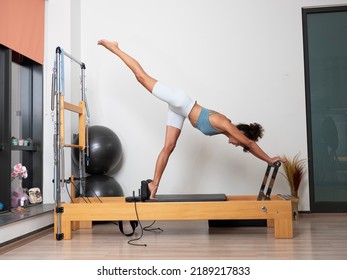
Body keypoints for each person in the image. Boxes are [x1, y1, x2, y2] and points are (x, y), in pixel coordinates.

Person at [98, 39, 284, 199]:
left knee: (168, 147)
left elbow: (248, 144)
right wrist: (268, 159)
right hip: (181, 102)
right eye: (238, 142)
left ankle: (154, 185)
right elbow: (250, 144)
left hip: (181, 112)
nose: (235, 144)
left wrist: (261, 155)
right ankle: (114, 47)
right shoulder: (225, 124)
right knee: (141, 77)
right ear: (240, 133)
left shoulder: (224, 128)